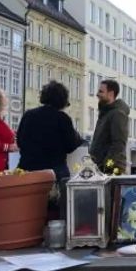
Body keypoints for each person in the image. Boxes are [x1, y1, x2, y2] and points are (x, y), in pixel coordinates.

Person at [16, 81, 84, 219]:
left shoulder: (28, 115)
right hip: (54, 172)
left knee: (29, 211)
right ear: (62, 100)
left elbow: (20, 141)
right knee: (58, 210)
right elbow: (71, 145)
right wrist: (79, 139)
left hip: (28, 170)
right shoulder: (62, 119)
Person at [90, 80, 130, 173]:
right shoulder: (106, 113)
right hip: (103, 168)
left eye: (101, 91)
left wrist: (107, 166)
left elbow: (118, 145)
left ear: (111, 94)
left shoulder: (117, 114)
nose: (97, 94)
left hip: (112, 169)